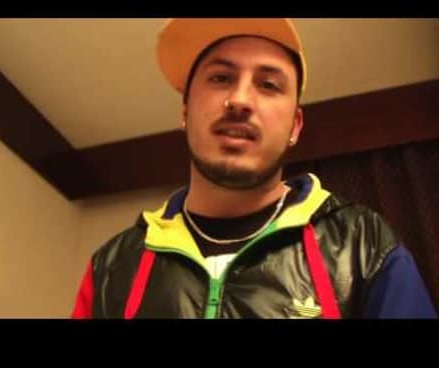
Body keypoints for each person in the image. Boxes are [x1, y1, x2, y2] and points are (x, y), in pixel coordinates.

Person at [72, 18, 437, 319]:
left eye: (268, 84)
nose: (240, 100)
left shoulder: (362, 244)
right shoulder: (111, 267)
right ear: (185, 112)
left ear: (295, 127)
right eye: (221, 78)